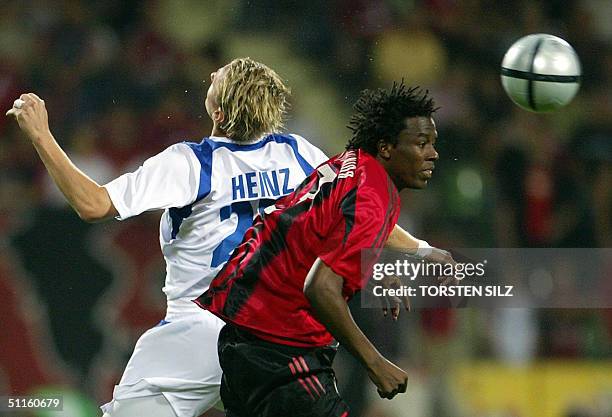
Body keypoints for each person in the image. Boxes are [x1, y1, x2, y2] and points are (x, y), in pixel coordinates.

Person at [6, 58, 329, 417]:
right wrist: (405, 254)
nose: (209, 73)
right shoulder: (299, 154)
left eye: (217, 78)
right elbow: (363, 212)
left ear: (219, 114)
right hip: (278, 338)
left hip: (203, 332)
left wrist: (40, 135)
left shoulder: (191, 163)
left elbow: (93, 204)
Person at [196, 82, 441, 416]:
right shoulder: (373, 197)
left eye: (433, 143)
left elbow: (318, 234)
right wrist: (375, 362)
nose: (432, 153)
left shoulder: (352, 165)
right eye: (421, 143)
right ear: (386, 147)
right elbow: (321, 286)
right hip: (281, 348)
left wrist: (390, 264)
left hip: (245, 336)